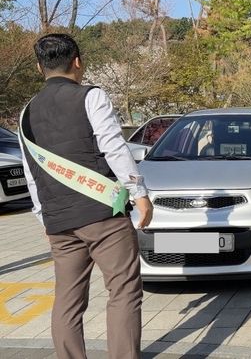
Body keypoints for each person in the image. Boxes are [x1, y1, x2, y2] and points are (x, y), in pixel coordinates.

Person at [18, 33, 153, 359]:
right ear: (77, 61)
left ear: (40, 67)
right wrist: (140, 192)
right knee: (122, 291)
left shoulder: (26, 112)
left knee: (67, 299)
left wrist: (43, 216)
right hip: (103, 216)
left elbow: (30, 173)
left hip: (59, 222)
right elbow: (114, 147)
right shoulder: (90, 97)